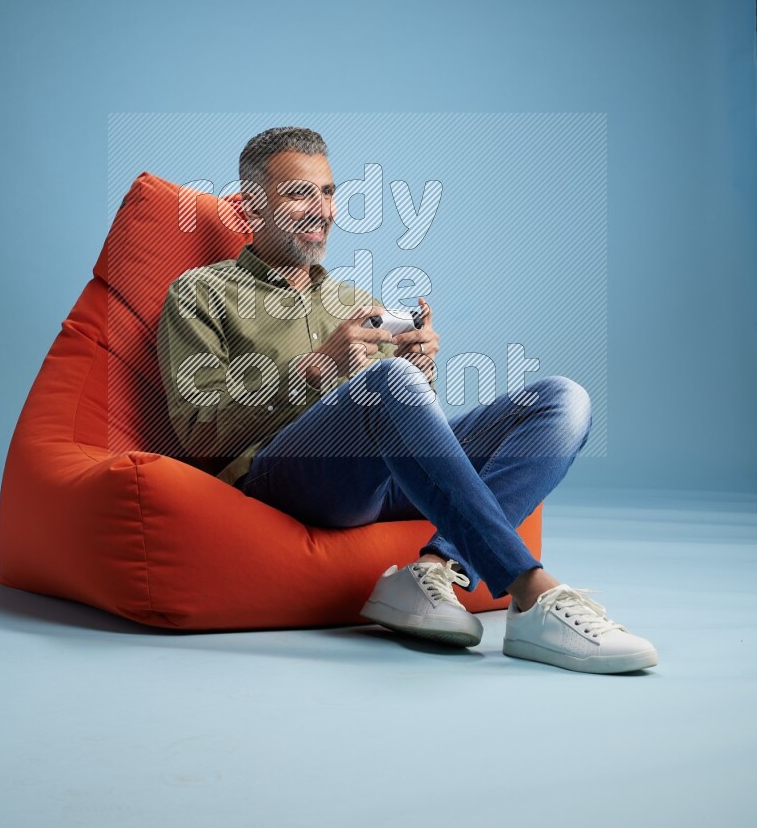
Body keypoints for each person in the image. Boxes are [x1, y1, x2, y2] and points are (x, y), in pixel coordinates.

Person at [157, 126, 658, 674]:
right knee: (387, 382)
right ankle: (530, 590)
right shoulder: (199, 291)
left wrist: (420, 373)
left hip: (382, 478)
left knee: (562, 399)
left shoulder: (354, 300)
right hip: (280, 477)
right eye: (299, 193)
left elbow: (400, 427)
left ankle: (431, 570)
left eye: (327, 192)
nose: (321, 210)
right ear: (252, 204)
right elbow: (197, 432)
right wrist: (320, 369)